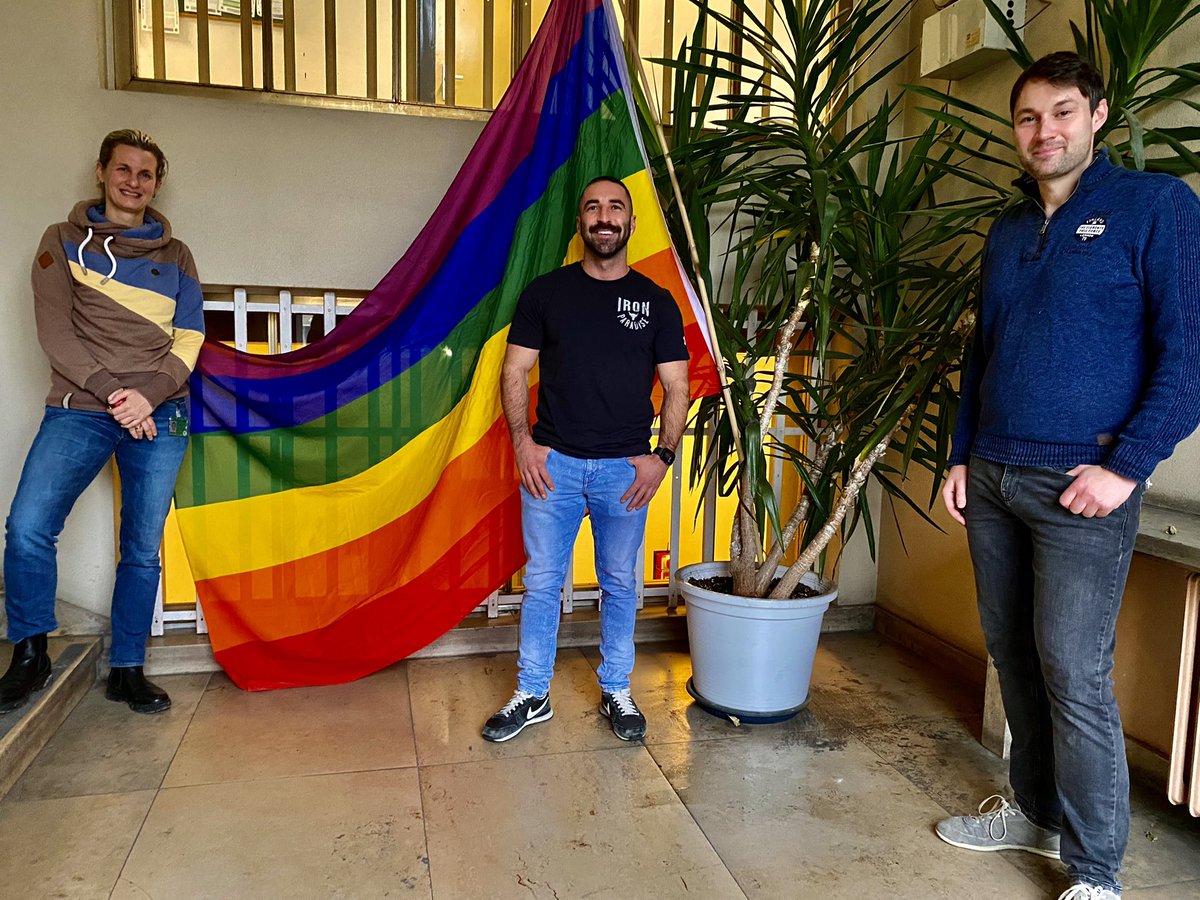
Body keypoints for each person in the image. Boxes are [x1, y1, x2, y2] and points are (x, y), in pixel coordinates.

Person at [936, 53, 1200, 900]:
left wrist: (1126, 468)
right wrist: (960, 455)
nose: (1043, 131)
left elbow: (1189, 356)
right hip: (993, 477)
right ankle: (1034, 809)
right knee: (1013, 654)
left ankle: (1095, 872)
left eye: (1061, 112)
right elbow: (981, 356)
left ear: (1097, 115)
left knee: (1073, 672)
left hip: (1082, 487)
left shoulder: (1155, 206)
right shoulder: (1009, 231)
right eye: (1027, 117)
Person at [0, 129, 205, 715]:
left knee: (142, 547)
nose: (133, 181)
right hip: (81, 409)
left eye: (145, 174)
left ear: (156, 185)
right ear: (101, 172)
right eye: (123, 169)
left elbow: (190, 335)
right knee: (28, 526)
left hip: (160, 412)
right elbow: (55, 334)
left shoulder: (177, 255)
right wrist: (118, 395)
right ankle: (31, 656)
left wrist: (150, 396)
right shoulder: (61, 241)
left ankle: (127, 669)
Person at [482, 175, 691, 743]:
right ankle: (532, 693)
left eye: (615, 207)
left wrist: (663, 457)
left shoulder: (656, 301)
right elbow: (514, 370)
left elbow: (678, 385)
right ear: (580, 223)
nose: (604, 216)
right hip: (554, 466)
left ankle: (617, 688)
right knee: (542, 582)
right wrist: (523, 443)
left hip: (626, 471)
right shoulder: (545, 294)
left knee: (620, 583)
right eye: (593, 207)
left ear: (630, 223)